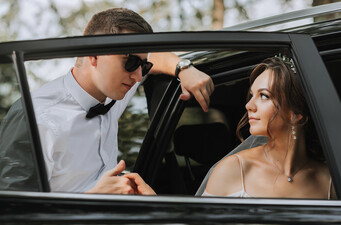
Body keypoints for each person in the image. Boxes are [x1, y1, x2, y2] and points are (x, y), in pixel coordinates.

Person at [0, 8, 214, 194]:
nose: (139, 76)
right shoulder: (35, 117)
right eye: (130, 62)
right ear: (94, 53)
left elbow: (154, 56)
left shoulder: (115, 87)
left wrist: (184, 68)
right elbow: (12, 215)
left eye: (143, 66)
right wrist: (92, 197)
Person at [199, 56, 336, 199]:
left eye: (264, 96)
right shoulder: (234, 169)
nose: (249, 106)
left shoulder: (328, 181)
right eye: (252, 95)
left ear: (295, 114)